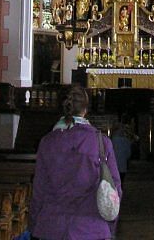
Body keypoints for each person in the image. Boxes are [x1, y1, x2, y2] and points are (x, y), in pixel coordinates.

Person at [30, 86, 122, 240]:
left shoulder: (47, 142)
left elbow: (39, 190)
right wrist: (109, 226)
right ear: (85, 110)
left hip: (52, 227)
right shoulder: (102, 143)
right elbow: (114, 189)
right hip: (91, 228)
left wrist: (34, 225)